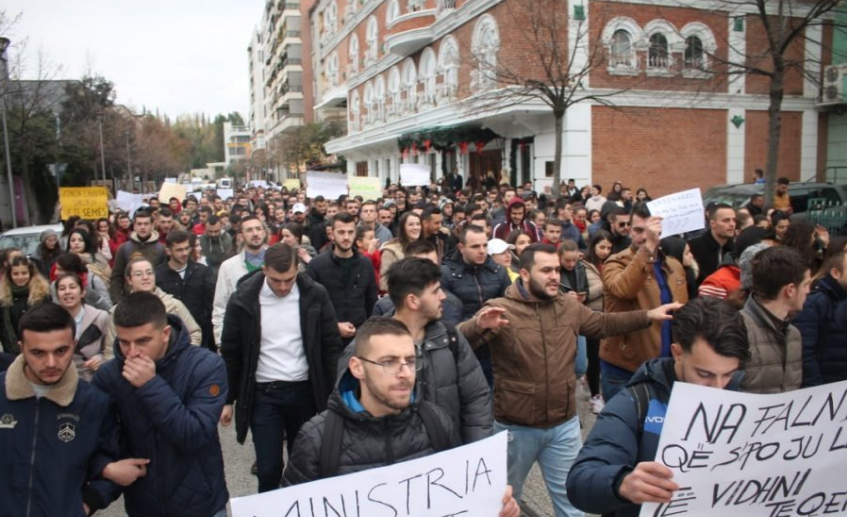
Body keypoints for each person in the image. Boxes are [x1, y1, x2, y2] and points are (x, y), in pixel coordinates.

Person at [458, 243, 680, 517]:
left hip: (563, 427)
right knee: (501, 501)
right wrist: (478, 326)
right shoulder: (500, 309)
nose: (555, 276)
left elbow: (602, 324)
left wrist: (648, 316)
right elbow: (458, 340)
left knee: (574, 505)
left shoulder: (567, 306)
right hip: (516, 428)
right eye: (546, 270)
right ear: (525, 274)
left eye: (557, 269)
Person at [281, 318, 520, 517]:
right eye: (389, 362)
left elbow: (460, 500)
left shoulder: (436, 422)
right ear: (357, 368)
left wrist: (494, 508)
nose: (405, 373)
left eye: (410, 361)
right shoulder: (318, 439)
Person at [566, 297, 750, 517]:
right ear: (677, 353)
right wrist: (622, 483)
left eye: (729, 374)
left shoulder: (742, 401)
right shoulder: (635, 403)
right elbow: (580, 480)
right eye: (704, 374)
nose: (718, 389)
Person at [219, 243, 344, 493]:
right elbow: (232, 351)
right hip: (264, 395)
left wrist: (334, 394)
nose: (283, 287)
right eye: (276, 280)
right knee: (268, 469)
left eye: (289, 279)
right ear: (264, 270)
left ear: (298, 269)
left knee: (307, 465)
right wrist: (228, 398)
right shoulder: (243, 298)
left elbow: (330, 346)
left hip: (305, 391)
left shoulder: (315, 294)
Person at [92, 292, 229, 517]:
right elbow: (91, 435)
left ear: (165, 333)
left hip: (202, 505)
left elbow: (194, 434)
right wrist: (105, 467)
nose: (132, 352)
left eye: (143, 341)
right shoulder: (109, 376)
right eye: (124, 342)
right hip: (144, 505)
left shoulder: (206, 366)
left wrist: (150, 385)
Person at [0, 303, 127, 517]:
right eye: (38, 352)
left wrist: (86, 504)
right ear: (21, 348)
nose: (51, 363)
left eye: (61, 351)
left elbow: (115, 465)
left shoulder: (94, 403)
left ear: (73, 344)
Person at [600, 202, 688, 402]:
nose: (643, 236)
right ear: (629, 229)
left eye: (649, 231)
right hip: (625, 368)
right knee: (625, 430)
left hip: (667, 366)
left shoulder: (673, 265)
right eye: (639, 230)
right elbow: (623, 290)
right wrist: (648, 247)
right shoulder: (616, 262)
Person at [442, 225, 512, 385]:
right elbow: (448, 316)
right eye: (475, 246)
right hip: (462, 344)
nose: (482, 251)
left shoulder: (498, 272)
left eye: (485, 245)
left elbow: (508, 307)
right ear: (461, 247)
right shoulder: (446, 274)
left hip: (494, 345)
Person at [740, 246, 810, 393]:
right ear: (790, 290)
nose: (808, 291)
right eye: (806, 284)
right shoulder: (736, 329)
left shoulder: (794, 334)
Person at [306, 213, 378, 345]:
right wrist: (334, 326)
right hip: (327, 340)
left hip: (359, 338)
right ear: (332, 234)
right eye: (341, 232)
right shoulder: (317, 265)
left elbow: (371, 302)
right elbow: (310, 305)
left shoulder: (365, 264)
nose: (346, 237)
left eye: (350, 232)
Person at [106, 257, 202, 355]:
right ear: (129, 280)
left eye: (149, 273)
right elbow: (110, 350)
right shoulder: (118, 311)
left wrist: (183, 357)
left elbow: (194, 333)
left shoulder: (174, 305)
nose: (145, 277)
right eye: (139, 274)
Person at [155, 230, 217, 352]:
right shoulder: (158, 275)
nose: (184, 253)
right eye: (179, 250)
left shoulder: (203, 272)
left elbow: (211, 304)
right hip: (170, 335)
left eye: (187, 248)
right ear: (168, 251)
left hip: (201, 334)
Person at [794, 246, 847, 387]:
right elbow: (805, 353)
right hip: (825, 390)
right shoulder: (815, 302)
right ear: (836, 273)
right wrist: (817, 390)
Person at [212, 215, 267, 347]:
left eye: (258, 229)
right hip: (241, 336)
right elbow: (220, 306)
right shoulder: (228, 266)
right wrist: (220, 342)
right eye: (249, 230)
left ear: (264, 233)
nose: (255, 234)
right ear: (241, 236)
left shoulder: (276, 261)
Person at [55, 273, 110, 381]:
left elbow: (111, 350)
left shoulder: (100, 318)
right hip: (62, 381)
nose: (67, 292)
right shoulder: (51, 322)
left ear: (82, 292)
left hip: (93, 379)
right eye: (62, 288)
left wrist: (101, 359)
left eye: (72, 287)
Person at [582, 230, 613, 413]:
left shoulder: (611, 264)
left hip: (608, 315)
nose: (605, 251)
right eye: (602, 247)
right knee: (593, 357)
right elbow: (584, 293)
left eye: (609, 248)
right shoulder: (583, 266)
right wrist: (605, 285)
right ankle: (595, 394)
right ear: (593, 246)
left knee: (603, 356)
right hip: (591, 315)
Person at [110, 210, 166, 303]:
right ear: (134, 226)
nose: (142, 227)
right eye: (139, 224)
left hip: (156, 299)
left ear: (152, 225)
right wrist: (118, 301)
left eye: (146, 224)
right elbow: (116, 277)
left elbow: (165, 277)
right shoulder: (124, 248)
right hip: (129, 299)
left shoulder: (161, 249)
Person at [0, 256, 51, 354]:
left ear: (30, 273)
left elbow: (49, 323)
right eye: (15, 274)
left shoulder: (42, 295)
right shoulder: (3, 299)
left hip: (40, 349)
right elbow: (3, 329)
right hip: (12, 353)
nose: (20, 277)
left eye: (24, 273)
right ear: (10, 275)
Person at [687, 203, 735, 287]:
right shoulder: (693, 247)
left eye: (734, 220)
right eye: (726, 220)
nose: (732, 224)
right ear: (713, 223)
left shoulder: (737, 249)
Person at [378, 211, 422, 291]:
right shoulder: (390, 250)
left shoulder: (424, 247)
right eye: (411, 224)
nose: (416, 227)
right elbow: (384, 282)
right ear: (403, 227)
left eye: (418, 224)